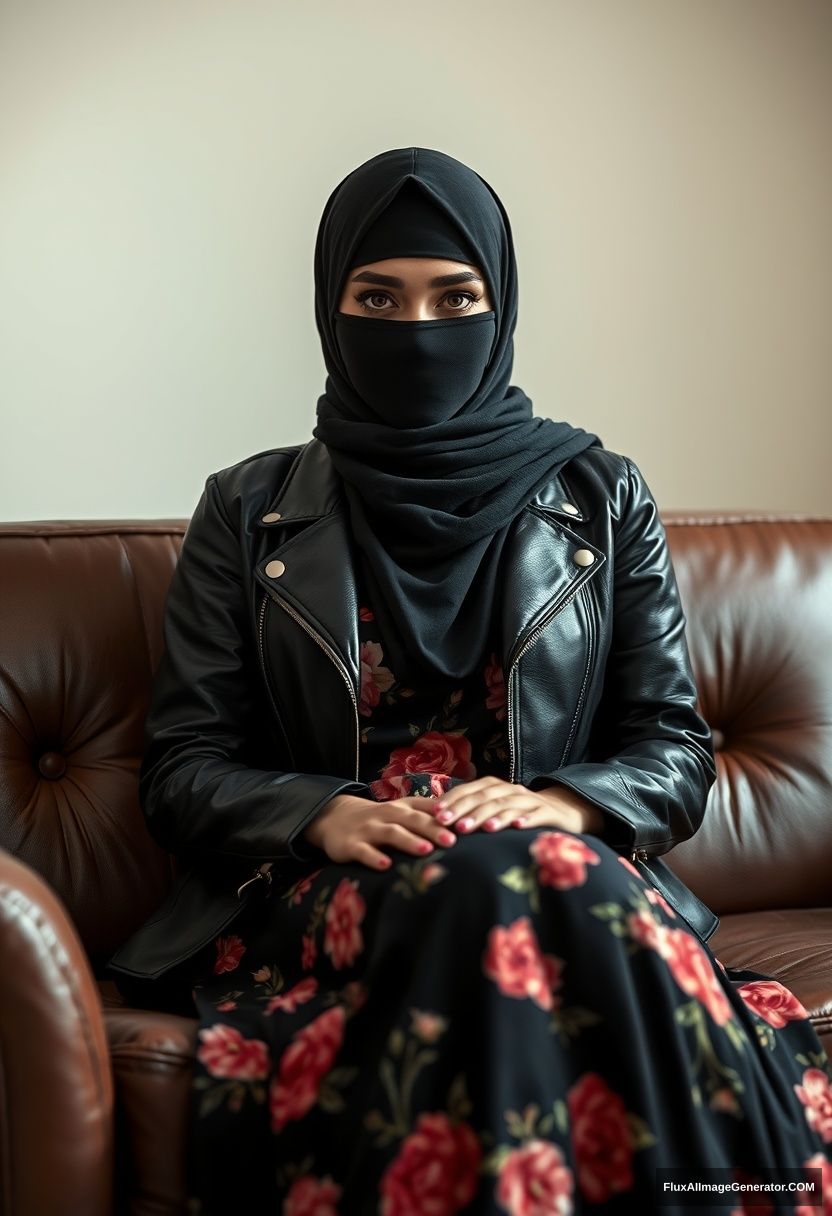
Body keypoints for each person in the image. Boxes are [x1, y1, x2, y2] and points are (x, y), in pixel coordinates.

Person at [110, 147, 832, 1214]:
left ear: (499, 308)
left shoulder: (600, 493)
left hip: (562, 866)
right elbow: (182, 767)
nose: (416, 328)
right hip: (341, 887)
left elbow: (673, 750)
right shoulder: (247, 506)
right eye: (376, 297)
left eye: (454, 296)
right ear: (329, 308)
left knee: (529, 871)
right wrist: (324, 815)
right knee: (506, 889)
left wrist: (563, 803)